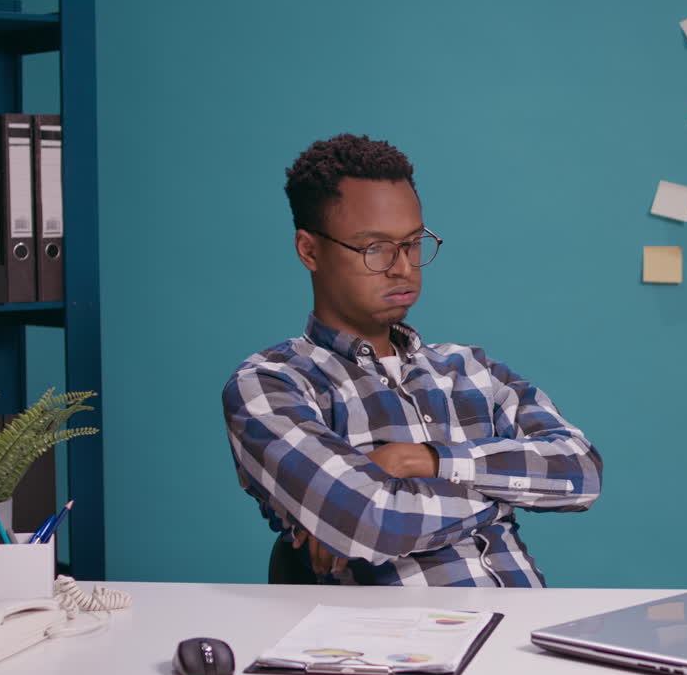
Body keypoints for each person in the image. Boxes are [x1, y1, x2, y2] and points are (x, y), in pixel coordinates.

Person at [221, 133, 602, 587]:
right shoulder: (272, 385)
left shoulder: (469, 370)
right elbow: (371, 522)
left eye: (413, 242)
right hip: (399, 650)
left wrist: (421, 460)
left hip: (525, 635)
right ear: (309, 250)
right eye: (374, 248)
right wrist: (508, 495)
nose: (403, 267)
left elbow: (580, 472)